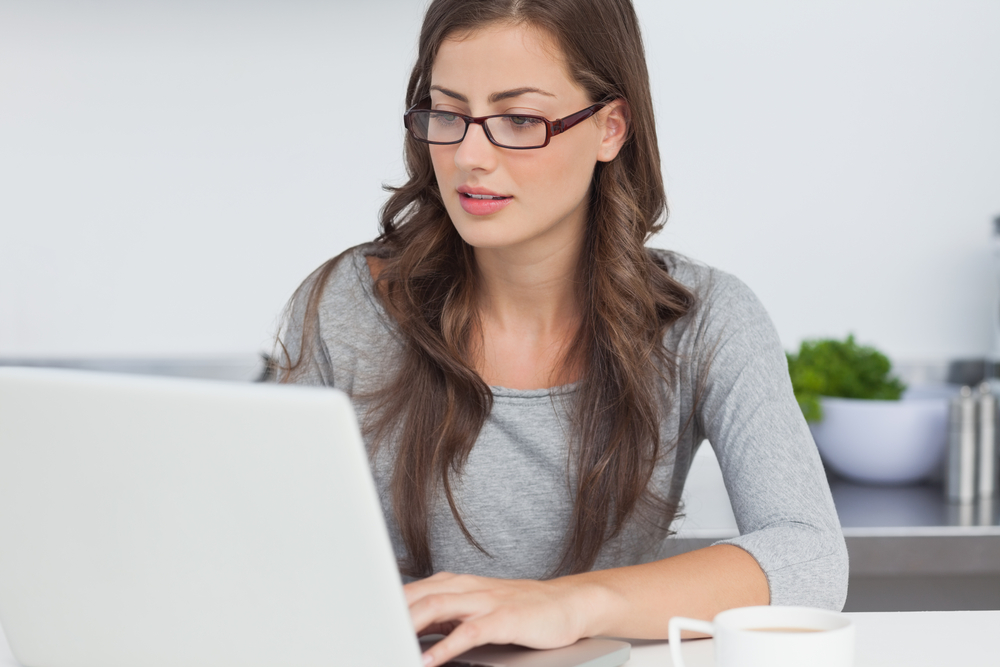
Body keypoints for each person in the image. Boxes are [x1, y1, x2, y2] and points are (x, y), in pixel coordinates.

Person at [275, 1, 848, 665]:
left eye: (519, 119)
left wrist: (567, 603)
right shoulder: (342, 306)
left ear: (610, 127)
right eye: (447, 112)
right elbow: (264, 555)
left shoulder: (707, 320)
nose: (469, 156)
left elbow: (809, 555)